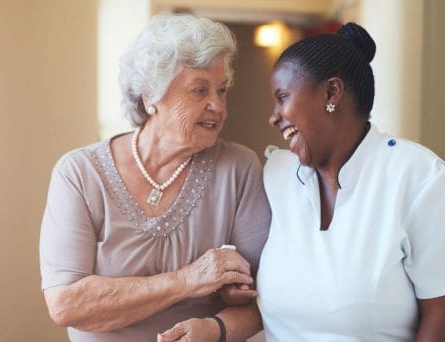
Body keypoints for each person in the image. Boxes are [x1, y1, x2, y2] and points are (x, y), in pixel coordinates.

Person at [165, 22, 445, 341]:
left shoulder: (422, 180)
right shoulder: (277, 176)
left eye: (283, 97)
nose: (273, 117)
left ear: (332, 92)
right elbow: (289, 287)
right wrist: (240, 290)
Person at [39, 15, 271, 341]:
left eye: (222, 91)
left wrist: (215, 329)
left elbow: (267, 298)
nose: (217, 105)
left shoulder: (239, 168)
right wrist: (187, 281)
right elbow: (66, 304)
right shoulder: (79, 173)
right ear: (151, 96)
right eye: (200, 90)